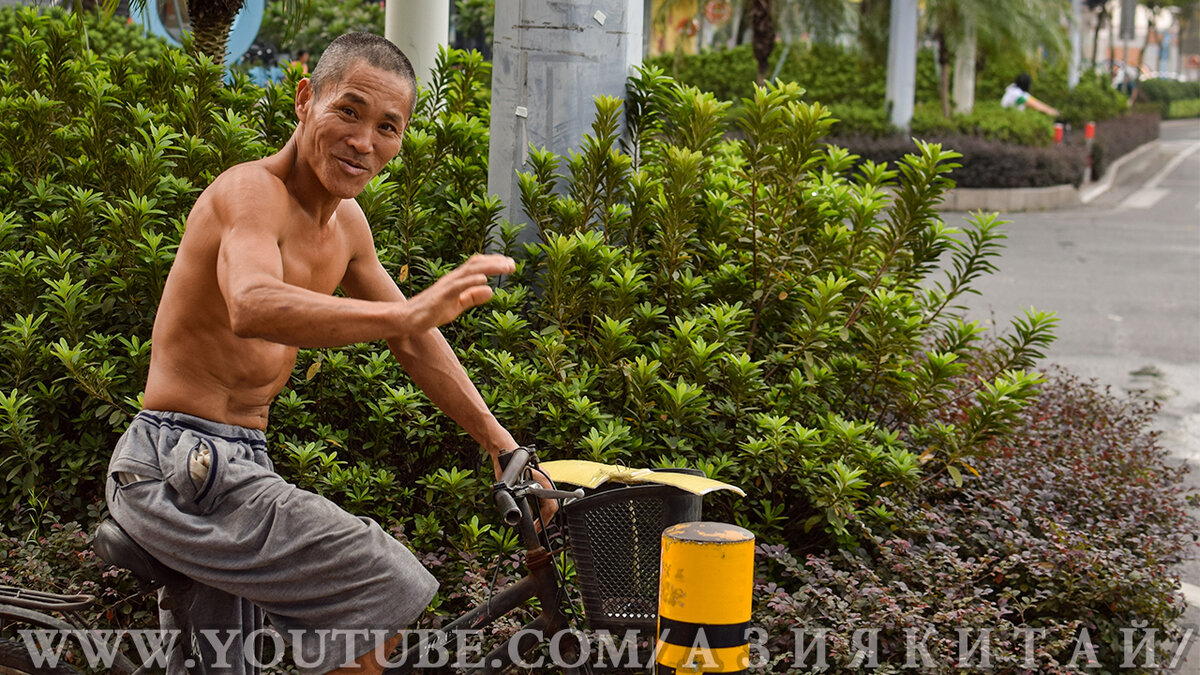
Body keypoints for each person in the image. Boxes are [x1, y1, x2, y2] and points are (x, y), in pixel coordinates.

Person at [105, 32, 548, 674]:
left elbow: (412, 339)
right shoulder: (251, 193)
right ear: (306, 100)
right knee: (383, 581)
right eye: (349, 111)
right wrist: (407, 308)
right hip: (179, 464)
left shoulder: (347, 228)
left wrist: (502, 445)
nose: (364, 141)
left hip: (237, 467)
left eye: (387, 127)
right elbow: (252, 303)